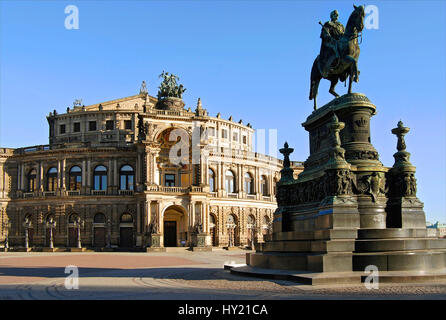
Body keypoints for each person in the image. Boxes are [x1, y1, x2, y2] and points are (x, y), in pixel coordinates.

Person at [319, 10, 345, 78]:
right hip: (330, 43)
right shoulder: (328, 24)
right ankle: (328, 67)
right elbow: (324, 34)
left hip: (339, 42)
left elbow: (344, 35)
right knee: (335, 48)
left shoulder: (341, 26)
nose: (337, 16)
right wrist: (328, 37)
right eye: (335, 14)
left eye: (337, 15)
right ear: (332, 16)